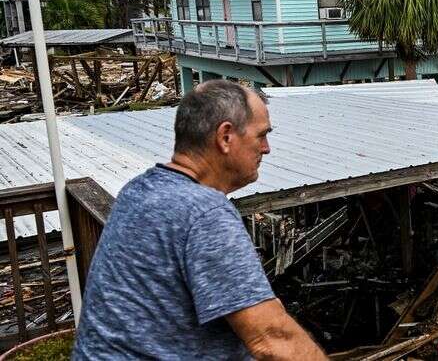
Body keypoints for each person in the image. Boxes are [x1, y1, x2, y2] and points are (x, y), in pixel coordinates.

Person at [73, 80, 326, 360]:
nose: (266, 148)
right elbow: (272, 338)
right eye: (261, 135)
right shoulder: (204, 213)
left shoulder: (138, 190)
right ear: (225, 137)